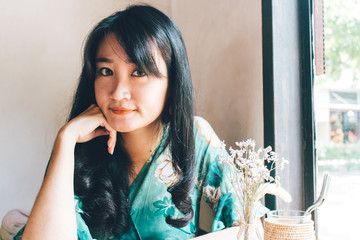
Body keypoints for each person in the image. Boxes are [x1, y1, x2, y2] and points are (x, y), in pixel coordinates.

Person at [14, 5, 242, 240]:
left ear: (172, 83)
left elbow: (249, 225)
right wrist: (66, 138)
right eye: (105, 71)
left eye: (138, 72)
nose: (118, 93)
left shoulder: (193, 137)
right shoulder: (75, 148)